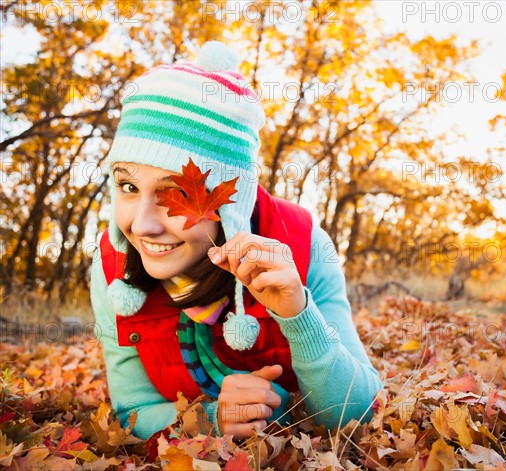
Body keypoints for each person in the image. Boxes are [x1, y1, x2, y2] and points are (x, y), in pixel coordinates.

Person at [90, 40, 382, 440]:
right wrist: (212, 420)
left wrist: (300, 318)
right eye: (127, 185)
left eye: (176, 192)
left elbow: (361, 412)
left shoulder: (305, 245)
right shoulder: (112, 270)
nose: (141, 225)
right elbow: (132, 412)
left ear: (229, 204)